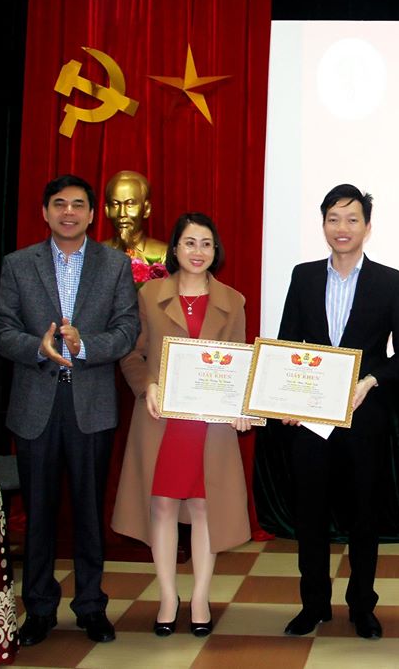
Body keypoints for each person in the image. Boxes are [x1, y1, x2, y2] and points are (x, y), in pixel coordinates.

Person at [0, 174, 140, 646]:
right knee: (38, 513)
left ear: (93, 214)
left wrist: (84, 345)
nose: (69, 212)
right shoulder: (18, 264)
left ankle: (91, 606)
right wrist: (37, 348)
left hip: (91, 406)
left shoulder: (115, 265)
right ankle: (38, 609)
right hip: (35, 405)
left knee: (88, 512)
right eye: (59, 204)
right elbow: (2, 330)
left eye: (78, 204)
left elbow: (127, 329)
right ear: (45, 212)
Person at [277, 184, 399, 639]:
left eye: (352, 219)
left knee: (364, 518)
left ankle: (362, 606)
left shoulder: (389, 281)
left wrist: (371, 380)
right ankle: (313, 604)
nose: (342, 228)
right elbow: (287, 344)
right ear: (323, 224)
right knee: (310, 516)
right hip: (311, 420)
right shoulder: (303, 277)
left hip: (365, 418)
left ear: (367, 227)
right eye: (333, 218)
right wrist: (286, 399)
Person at [111, 212, 253, 637]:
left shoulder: (233, 301)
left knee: (205, 507)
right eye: (190, 243)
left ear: (216, 250)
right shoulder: (149, 294)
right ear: (174, 248)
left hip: (210, 425)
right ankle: (168, 597)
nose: (198, 251)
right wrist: (147, 385)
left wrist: (241, 405)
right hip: (162, 419)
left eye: (206, 244)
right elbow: (131, 354)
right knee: (162, 505)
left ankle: (201, 598)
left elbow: (239, 363)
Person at [101, 170, 168, 262]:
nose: (122, 213)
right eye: (115, 204)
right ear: (107, 210)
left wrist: (131, 248)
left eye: (130, 204)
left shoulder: (163, 253)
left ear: (146, 209)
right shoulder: (96, 253)